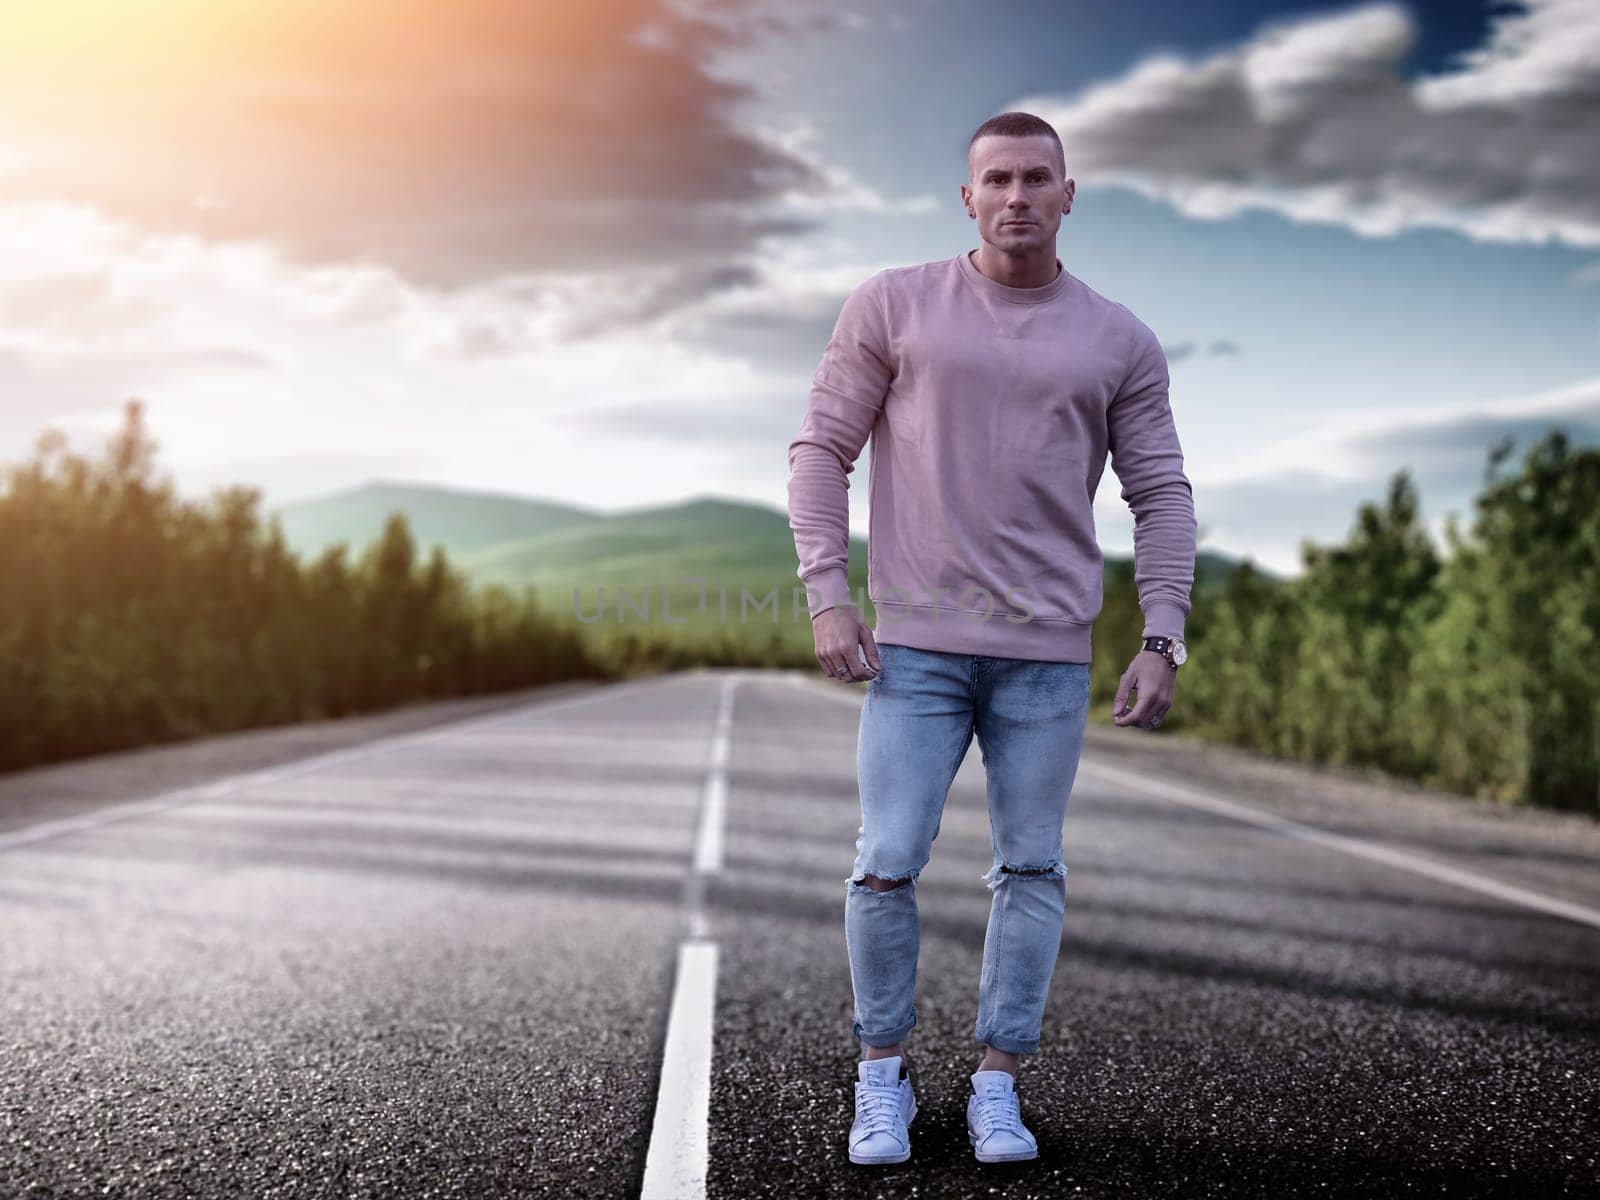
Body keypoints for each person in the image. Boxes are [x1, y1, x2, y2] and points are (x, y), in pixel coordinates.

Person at [785, 110, 1197, 1166]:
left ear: (1069, 195)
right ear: (966, 198)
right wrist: (828, 593)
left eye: (1036, 179)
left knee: (1032, 868)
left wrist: (1163, 634)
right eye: (997, 180)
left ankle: (995, 1086)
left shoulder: (1118, 339)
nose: (1017, 196)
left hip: (1048, 655)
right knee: (884, 861)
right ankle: (881, 1078)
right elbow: (820, 450)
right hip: (913, 650)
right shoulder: (894, 304)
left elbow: (1160, 493)